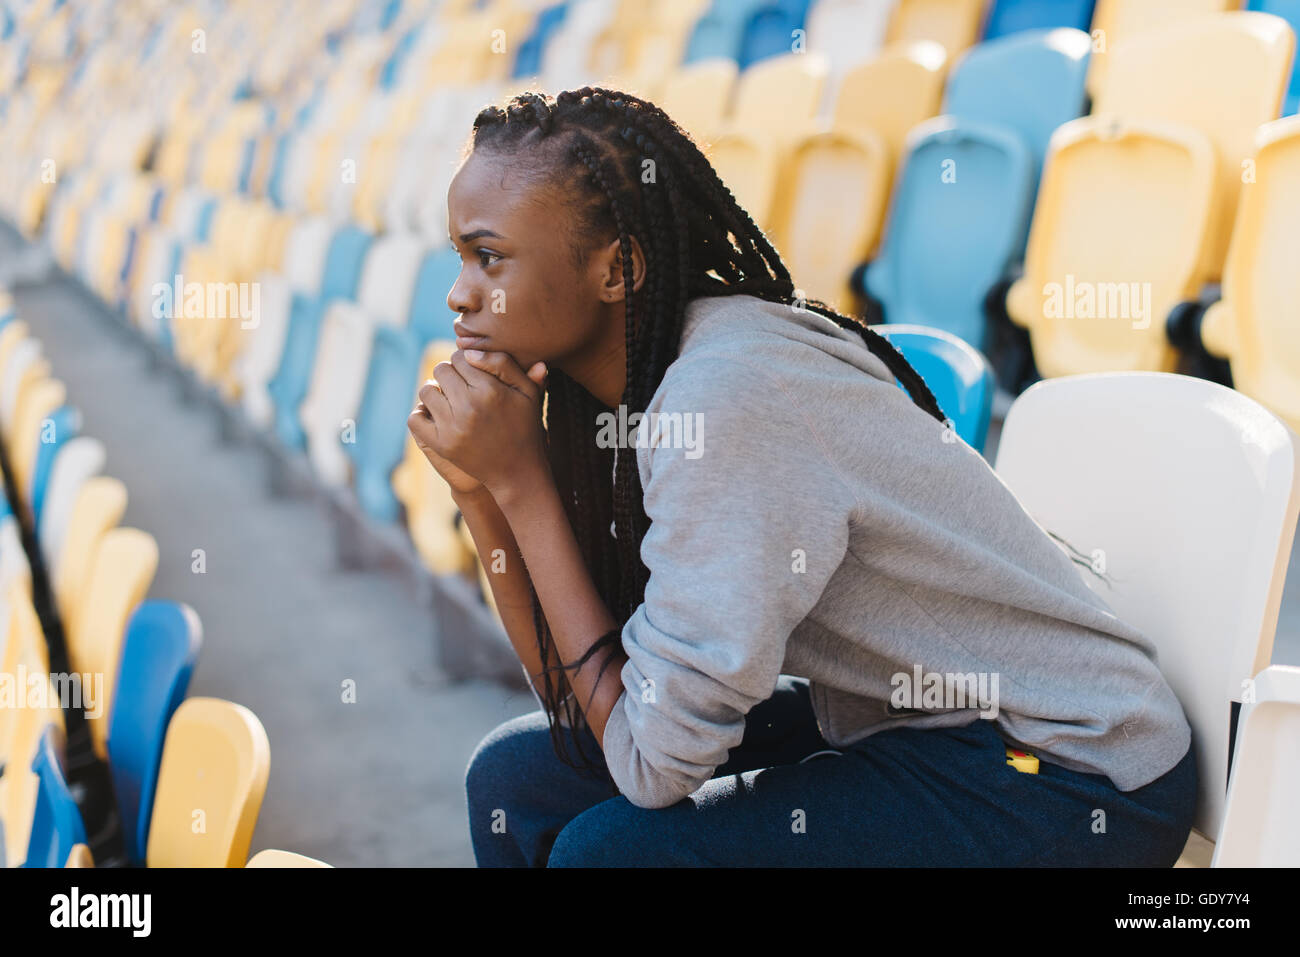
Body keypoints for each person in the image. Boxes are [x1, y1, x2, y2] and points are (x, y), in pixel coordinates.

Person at [406, 88, 1198, 868]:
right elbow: (586, 705)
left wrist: (518, 486)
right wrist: (479, 490)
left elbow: (650, 766)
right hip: (906, 715)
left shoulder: (726, 402)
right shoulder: (633, 391)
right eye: (460, 256)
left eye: (490, 256)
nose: (459, 292)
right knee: (516, 780)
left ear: (618, 270)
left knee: (613, 855)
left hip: (1066, 768)